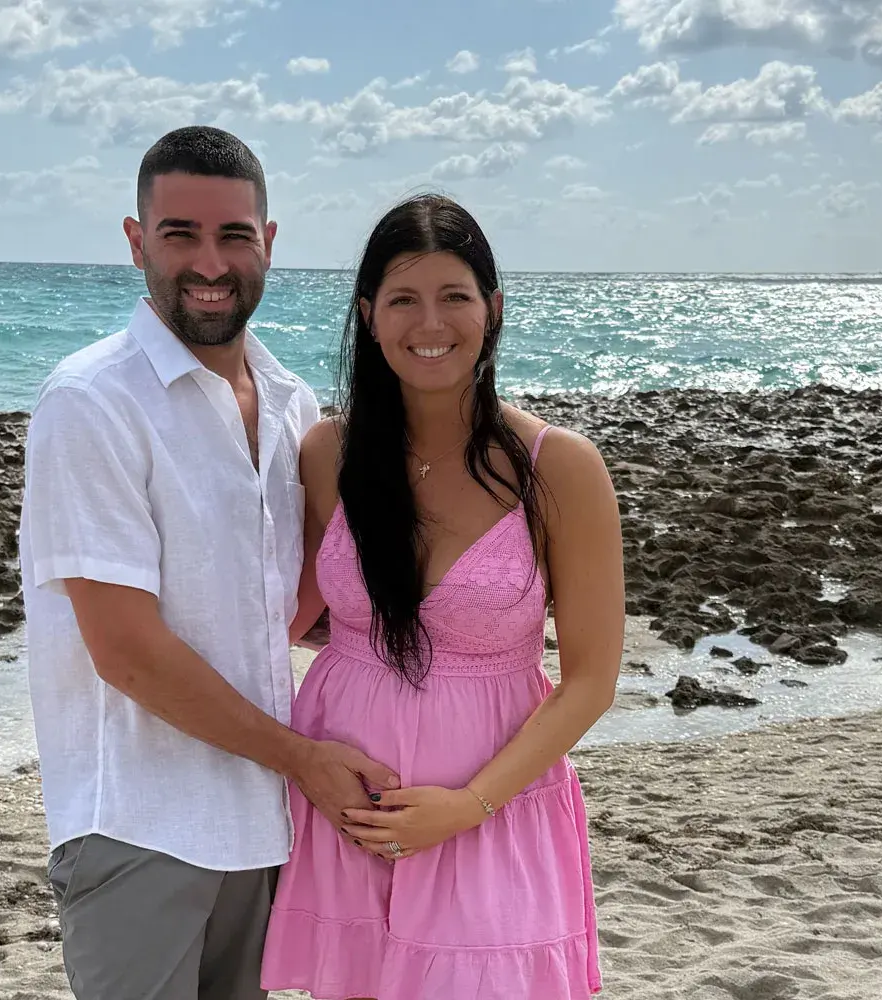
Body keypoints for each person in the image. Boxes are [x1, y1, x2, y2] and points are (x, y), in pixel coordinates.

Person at [17, 125, 398, 1000]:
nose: (210, 262)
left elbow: (281, 609)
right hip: (138, 824)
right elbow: (125, 650)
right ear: (135, 240)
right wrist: (303, 757)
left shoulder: (296, 404)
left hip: (262, 827)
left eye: (233, 235)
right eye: (180, 233)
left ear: (268, 243)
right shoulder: (91, 401)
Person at [259, 193, 625, 1000]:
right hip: (349, 798)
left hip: (493, 804)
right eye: (403, 299)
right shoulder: (329, 453)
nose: (431, 323)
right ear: (368, 314)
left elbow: (593, 679)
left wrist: (469, 803)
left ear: (492, 308)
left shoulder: (558, 469)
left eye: (454, 296)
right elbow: (284, 614)